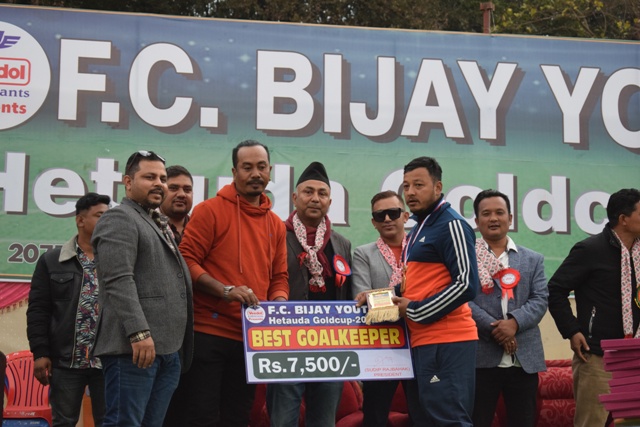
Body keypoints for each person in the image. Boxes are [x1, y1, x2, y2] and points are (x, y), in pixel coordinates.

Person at [168, 140, 289, 427]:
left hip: (252, 337)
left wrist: (279, 304)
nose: (255, 173)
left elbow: (279, 277)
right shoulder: (209, 211)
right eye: (247, 167)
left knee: (238, 417)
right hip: (207, 332)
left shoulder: (275, 223)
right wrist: (225, 291)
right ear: (234, 172)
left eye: (261, 167)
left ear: (270, 171)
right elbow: (186, 261)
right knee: (202, 417)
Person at [358, 156, 478, 426]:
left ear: (438, 187)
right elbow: (411, 286)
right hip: (422, 342)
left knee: (448, 420)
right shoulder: (419, 229)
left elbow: (466, 284)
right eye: (406, 186)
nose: (410, 192)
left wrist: (413, 309)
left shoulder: (452, 224)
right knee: (426, 419)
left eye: (419, 185)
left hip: (448, 340)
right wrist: (376, 298)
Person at [91, 150, 194, 427]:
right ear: (128, 182)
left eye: (162, 178)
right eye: (149, 177)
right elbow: (118, 280)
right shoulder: (120, 218)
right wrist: (139, 333)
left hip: (167, 350)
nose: (159, 183)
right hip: (134, 349)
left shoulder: (156, 222)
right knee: (124, 423)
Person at [266, 161, 353, 427]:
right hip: (285, 344)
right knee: (283, 420)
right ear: (295, 197)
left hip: (331, 345)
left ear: (330, 201)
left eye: (322, 193)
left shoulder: (341, 243)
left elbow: (348, 294)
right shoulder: (276, 234)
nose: (315, 198)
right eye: (308, 192)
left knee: (324, 421)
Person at [548, 188, 640, 427]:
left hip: (636, 356)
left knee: (631, 424)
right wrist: (572, 330)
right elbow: (555, 290)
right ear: (623, 219)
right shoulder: (590, 250)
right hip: (598, 356)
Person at [27, 192, 110, 427]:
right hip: (66, 361)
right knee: (64, 422)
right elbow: (38, 310)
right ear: (80, 220)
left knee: (111, 422)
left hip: (108, 360)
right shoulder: (52, 260)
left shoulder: (117, 259)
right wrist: (40, 353)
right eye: (100, 216)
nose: (106, 221)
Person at [468, 189, 548, 427]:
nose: (493, 218)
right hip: (481, 357)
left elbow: (540, 299)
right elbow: (463, 300)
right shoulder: (466, 258)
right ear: (477, 221)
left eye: (499, 212)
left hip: (523, 359)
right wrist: (496, 330)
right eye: (486, 214)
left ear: (510, 218)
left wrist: (514, 323)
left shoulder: (532, 259)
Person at [352, 190, 409, 427]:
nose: (387, 219)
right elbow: (364, 303)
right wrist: (407, 299)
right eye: (380, 215)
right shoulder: (362, 253)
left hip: (420, 342)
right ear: (373, 222)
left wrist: (380, 297)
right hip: (381, 346)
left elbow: (430, 296)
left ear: (405, 216)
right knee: (375, 416)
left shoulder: (423, 250)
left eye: (393, 213)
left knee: (424, 413)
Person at [159, 165, 194, 245]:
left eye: (187, 190)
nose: (181, 194)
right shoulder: (147, 225)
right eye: (173, 188)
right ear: (161, 191)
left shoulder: (200, 229)